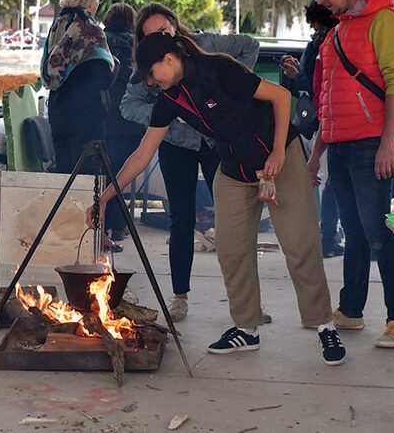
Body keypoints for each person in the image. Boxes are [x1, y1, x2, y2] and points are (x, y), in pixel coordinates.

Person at [88, 31, 346, 366]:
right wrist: (106, 197)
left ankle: (323, 324)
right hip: (233, 169)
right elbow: (141, 155)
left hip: (277, 156)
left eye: (152, 73)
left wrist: (280, 152)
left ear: (169, 59)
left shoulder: (219, 69)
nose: (151, 82)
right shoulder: (170, 99)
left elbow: (281, 97)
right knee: (232, 250)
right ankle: (246, 328)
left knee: (300, 243)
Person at [119, 2, 260, 322]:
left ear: (175, 24)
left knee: (234, 217)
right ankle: (179, 296)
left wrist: (235, 93)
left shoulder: (205, 44)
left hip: (215, 141)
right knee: (180, 219)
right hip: (176, 146)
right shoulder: (146, 65)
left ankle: (247, 300)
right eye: (151, 34)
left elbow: (250, 45)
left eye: (163, 30)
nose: (160, 37)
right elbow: (127, 105)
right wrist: (165, 119)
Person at [306, 0, 394, 348]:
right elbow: (327, 100)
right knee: (352, 232)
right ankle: (351, 310)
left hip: (373, 144)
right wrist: (317, 153)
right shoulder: (336, 34)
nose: (320, 0)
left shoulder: (385, 21)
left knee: (379, 235)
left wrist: (388, 142)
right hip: (339, 146)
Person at [279, 0, 344, 259]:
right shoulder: (317, 45)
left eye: (319, 28)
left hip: (323, 120)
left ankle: (327, 235)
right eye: (314, 29)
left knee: (326, 182)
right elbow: (309, 87)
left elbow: (320, 84)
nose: (316, 33)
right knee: (327, 183)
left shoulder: (332, 44)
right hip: (317, 122)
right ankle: (327, 236)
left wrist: (299, 77)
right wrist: (292, 75)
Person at [41, 0, 115, 175]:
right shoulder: (91, 30)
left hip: (59, 111)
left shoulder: (58, 24)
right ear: (89, 0)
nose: (98, 4)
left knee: (65, 175)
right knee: (89, 180)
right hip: (86, 115)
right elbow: (103, 77)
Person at [101, 2, 143, 242]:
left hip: (106, 117)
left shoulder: (101, 41)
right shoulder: (138, 44)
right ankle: (118, 224)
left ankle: (112, 221)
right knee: (122, 172)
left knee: (107, 171)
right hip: (132, 120)